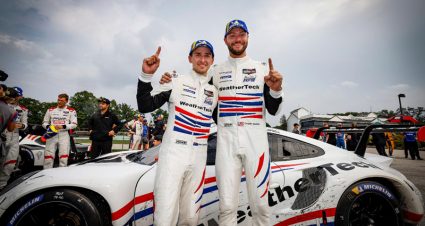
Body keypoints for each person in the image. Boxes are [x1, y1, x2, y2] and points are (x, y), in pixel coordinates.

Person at [161, 19, 283, 225]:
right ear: (225, 40)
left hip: (256, 143)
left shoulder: (262, 69)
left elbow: (274, 110)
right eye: (232, 35)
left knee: (261, 206)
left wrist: (275, 89)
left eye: (241, 34)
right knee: (226, 206)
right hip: (225, 144)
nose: (237, 39)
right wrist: (168, 80)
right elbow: (194, 85)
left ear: (247, 37)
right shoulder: (215, 71)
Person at [137, 41, 218, 225]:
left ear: (212, 60)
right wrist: (146, 75)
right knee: (165, 216)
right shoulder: (175, 81)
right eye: (198, 54)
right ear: (190, 58)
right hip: (173, 155)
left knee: (190, 217)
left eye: (207, 55)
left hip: (199, 157)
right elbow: (145, 105)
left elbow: (226, 120)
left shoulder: (215, 91)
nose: (202, 59)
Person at [0, 87, 28, 189]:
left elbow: (25, 124)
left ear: (20, 97)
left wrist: (22, 126)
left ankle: (2, 185)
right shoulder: (3, 105)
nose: (14, 98)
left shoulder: (23, 109)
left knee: (10, 163)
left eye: (16, 96)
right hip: (3, 133)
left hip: (15, 136)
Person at [42, 93, 78, 168]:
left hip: (64, 135)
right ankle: (46, 174)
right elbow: (44, 123)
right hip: (51, 134)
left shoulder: (71, 111)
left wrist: (63, 126)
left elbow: (74, 124)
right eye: (58, 100)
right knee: (48, 157)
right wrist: (50, 126)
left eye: (61, 100)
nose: (59, 102)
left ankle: (61, 175)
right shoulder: (50, 110)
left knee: (63, 158)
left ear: (66, 101)